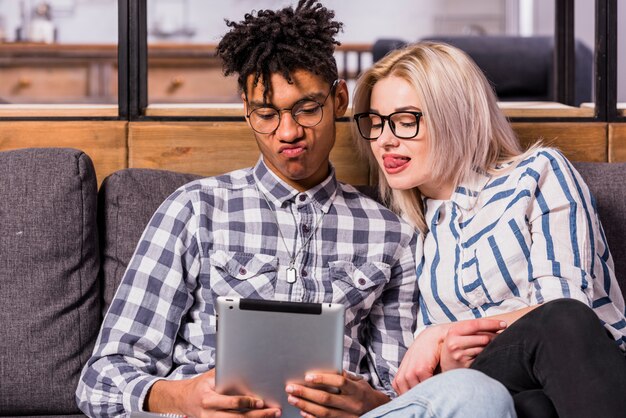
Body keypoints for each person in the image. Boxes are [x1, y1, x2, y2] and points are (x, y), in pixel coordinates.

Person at [76, 3, 515, 418]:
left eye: (307, 109)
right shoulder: (194, 210)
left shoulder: (391, 233)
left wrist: (368, 401)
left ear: (339, 100)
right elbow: (99, 380)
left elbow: (398, 388)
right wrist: (182, 396)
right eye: (266, 114)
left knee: (476, 395)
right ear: (247, 112)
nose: (288, 132)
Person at [352, 40, 626, 417]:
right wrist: (447, 361)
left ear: (455, 117)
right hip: (481, 389)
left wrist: (443, 333)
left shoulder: (537, 174)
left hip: (573, 367)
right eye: (376, 122)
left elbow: (566, 309)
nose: (384, 140)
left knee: (544, 380)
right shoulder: (409, 231)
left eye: (404, 121)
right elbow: (422, 373)